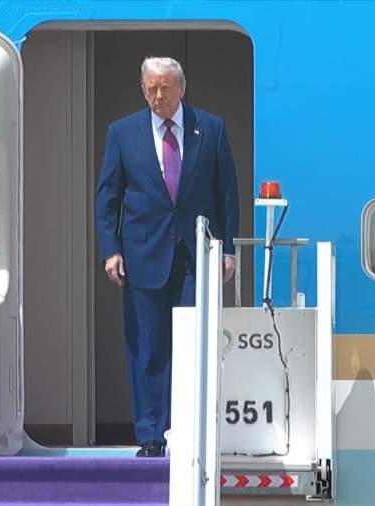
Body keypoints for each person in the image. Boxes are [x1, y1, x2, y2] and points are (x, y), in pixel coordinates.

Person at [94, 56, 239, 457]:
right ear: (143, 91)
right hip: (143, 255)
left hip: (196, 257)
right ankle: (152, 436)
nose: (158, 96)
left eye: (165, 88)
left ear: (181, 88)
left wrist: (228, 249)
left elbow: (227, 193)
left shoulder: (211, 129)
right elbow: (107, 197)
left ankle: (190, 431)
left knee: (194, 344)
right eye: (151, 88)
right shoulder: (122, 133)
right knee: (148, 348)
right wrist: (111, 251)